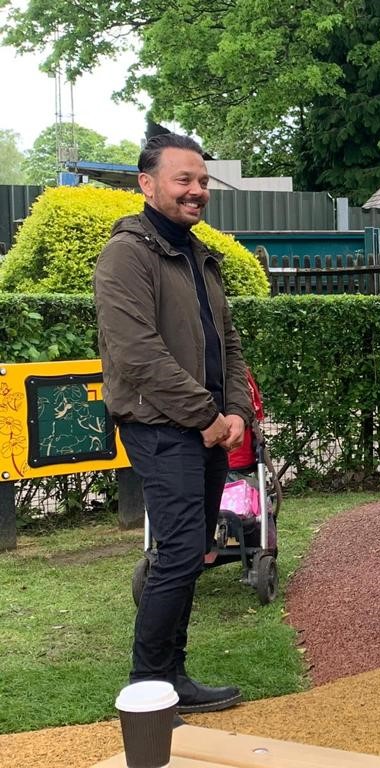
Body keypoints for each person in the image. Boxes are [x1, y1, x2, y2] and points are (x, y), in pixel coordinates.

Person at [94, 133, 253, 713]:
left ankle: (171, 679)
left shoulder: (196, 253)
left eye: (203, 181)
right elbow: (137, 354)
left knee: (191, 550)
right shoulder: (127, 254)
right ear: (147, 183)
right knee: (182, 551)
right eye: (184, 179)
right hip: (163, 428)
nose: (197, 191)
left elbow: (226, 343)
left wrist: (234, 409)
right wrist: (207, 416)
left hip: (206, 426)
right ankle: (147, 684)